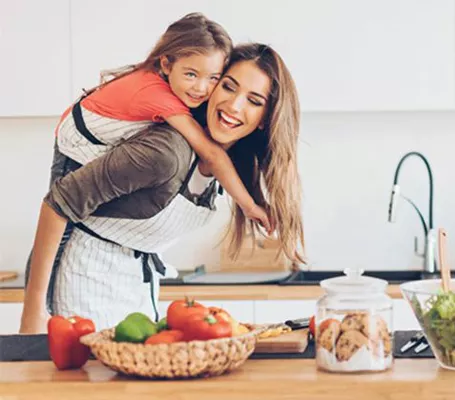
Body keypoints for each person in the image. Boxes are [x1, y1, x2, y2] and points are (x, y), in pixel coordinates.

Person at [20, 43, 305, 333]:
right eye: (229, 87)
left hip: (138, 286)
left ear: (265, 119)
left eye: (254, 101)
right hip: (84, 280)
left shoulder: (226, 166)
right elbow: (58, 203)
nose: (234, 106)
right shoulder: (166, 153)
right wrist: (33, 313)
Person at [56, 12, 271, 230]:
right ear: (167, 65)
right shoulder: (161, 99)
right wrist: (249, 206)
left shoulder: (167, 86)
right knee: (63, 220)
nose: (201, 88)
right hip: (73, 144)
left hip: (88, 136)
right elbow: (213, 155)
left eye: (213, 78)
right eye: (191, 75)